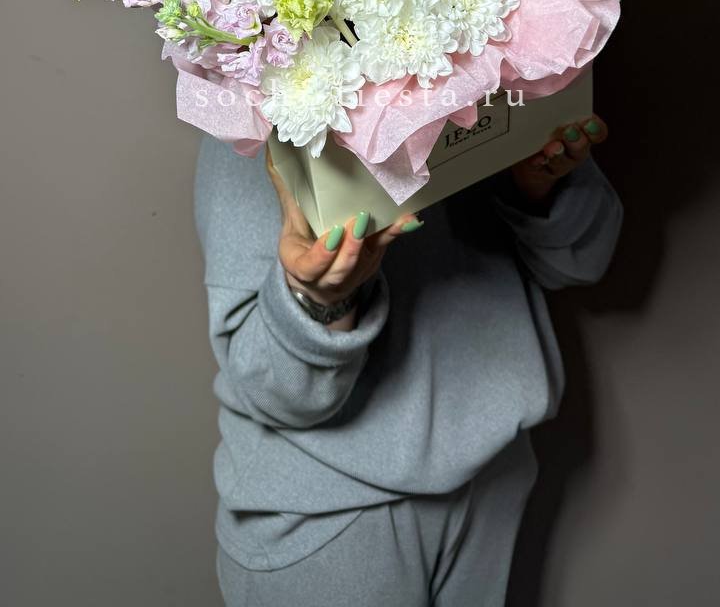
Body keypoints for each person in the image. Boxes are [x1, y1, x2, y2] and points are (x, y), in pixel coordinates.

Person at [193, 112, 622, 607]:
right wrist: (320, 299)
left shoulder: (494, 66)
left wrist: (534, 188)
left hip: (493, 480)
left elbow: (584, 260)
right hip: (329, 514)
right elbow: (276, 390)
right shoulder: (249, 99)